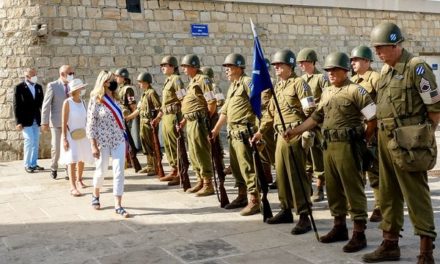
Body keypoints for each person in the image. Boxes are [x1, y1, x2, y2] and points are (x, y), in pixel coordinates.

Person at [284, 52, 377, 252]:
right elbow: (316, 117)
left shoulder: (356, 91)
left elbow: (372, 119)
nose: (331, 73)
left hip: (348, 146)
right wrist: (295, 131)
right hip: (329, 146)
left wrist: (363, 141)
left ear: (345, 70)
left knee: (353, 189)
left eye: (335, 69)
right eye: (328, 70)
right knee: (333, 189)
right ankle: (339, 227)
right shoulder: (326, 91)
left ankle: (359, 233)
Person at [362, 22, 438, 263]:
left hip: (408, 142)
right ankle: (390, 243)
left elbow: (434, 109)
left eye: (381, 48)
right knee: (387, 193)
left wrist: (422, 138)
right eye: (375, 48)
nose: (378, 53)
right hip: (385, 140)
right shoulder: (385, 71)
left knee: (415, 193)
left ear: (395, 45)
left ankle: (426, 250)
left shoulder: (416, 68)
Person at [252, 49, 316, 234]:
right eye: (275, 66)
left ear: (290, 66)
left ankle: (304, 215)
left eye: (280, 65)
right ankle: (286, 209)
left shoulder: (299, 84)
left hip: (294, 134)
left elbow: (310, 111)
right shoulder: (277, 88)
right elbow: (270, 115)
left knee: (296, 175)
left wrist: (305, 132)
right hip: (280, 136)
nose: (277, 68)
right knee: (281, 175)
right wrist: (260, 132)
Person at [211, 53, 260, 216]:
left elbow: (259, 108)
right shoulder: (233, 85)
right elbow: (225, 111)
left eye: (229, 67)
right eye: (225, 67)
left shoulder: (247, 82)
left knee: (247, 167)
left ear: (239, 67)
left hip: (244, 132)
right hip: (232, 134)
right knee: (237, 168)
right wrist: (216, 129)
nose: (226, 70)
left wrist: (259, 132)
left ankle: (254, 200)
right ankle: (241, 196)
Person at [86, 70, 129, 218]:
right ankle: (95, 194)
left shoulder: (116, 98)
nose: (114, 82)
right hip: (102, 141)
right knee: (101, 171)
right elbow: (91, 124)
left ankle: (118, 204)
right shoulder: (96, 99)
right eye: (111, 80)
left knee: (119, 171)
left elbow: (121, 120)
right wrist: (93, 144)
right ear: (104, 82)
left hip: (118, 139)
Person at [350, 45, 382, 223]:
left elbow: (384, 103)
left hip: (374, 130)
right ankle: (358, 206)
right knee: (358, 169)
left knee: (374, 170)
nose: (353, 63)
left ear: (367, 61)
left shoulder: (376, 78)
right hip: (357, 130)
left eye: (356, 59)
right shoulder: (353, 81)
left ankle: (380, 206)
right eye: (352, 60)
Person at [179, 54, 216, 196]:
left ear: (193, 66)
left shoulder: (203, 80)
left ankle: (208, 183)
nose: (183, 69)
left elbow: (211, 102)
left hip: (199, 121)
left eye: (185, 67)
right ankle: (200, 180)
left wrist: (207, 119)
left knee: (201, 151)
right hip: (191, 120)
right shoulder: (192, 81)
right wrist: (184, 120)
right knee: (193, 153)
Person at [297, 48, 329, 202]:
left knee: (317, 154)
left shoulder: (321, 78)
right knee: (306, 154)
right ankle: (307, 185)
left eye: (304, 62)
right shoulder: (301, 79)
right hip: (304, 121)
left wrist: (315, 108)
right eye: (300, 63)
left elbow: (326, 97)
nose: (302, 65)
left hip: (317, 121)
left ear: (312, 62)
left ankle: (320, 187)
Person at [154, 56, 186, 185]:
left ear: (173, 66)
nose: (162, 67)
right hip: (166, 116)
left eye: (165, 65)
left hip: (174, 116)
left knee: (175, 145)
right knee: (168, 145)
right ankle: (174, 169)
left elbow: (183, 99)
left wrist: (183, 119)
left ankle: (180, 172)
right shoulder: (168, 81)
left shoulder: (176, 80)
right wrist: (158, 117)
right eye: (162, 65)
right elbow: (164, 104)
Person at [60, 79, 93, 196]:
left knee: (82, 157)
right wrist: (64, 138)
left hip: (83, 134)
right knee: (72, 159)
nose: (82, 89)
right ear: (76, 90)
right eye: (81, 88)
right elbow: (63, 122)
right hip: (70, 134)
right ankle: (72, 186)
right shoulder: (67, 102)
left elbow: (87, 119)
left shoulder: (83, 102)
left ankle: (79, 180)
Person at [41, 65, 75, 179]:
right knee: (56, 147)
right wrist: (44, 122)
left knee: (69, 146)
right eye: (70, 73)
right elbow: (46, 105)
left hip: (70, 122)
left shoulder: (73, 85)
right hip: (56, 122)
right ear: (62, 74)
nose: (72, 75)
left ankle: (68, 171)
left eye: (72, 73)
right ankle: (54, 167)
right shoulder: (53, 86)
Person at [125, 73, 162, 177]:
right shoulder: (144, 94)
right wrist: (128, 117)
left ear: (145, 82)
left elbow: (159, 108)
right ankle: (150, 165)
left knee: (151, 145)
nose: (139, 84)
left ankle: (155, 166)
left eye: (140, 82)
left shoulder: (152, 93)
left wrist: (156, 120)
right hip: (143, 122)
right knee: (145, 144)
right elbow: (138, 109)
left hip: (150, 123)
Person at [13, 68, 44, 173]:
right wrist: (18, 122)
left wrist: (44, 119)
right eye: (33, 75)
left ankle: (33, 164)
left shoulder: (39, 87)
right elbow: (16, 106)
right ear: (27, 76)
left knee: (35, 141)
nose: (35, 76)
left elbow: (42, 105)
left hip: (36, 119)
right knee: (29, 140)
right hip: (25, 120)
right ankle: (27, 164)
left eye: (36, 74)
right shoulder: (19, 87)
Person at [115, 68, 141, 155]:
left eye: (118, 76)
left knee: (126, 137)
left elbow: (132, 105)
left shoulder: (128, 89)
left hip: (126, 116)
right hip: (120, 116)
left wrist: (132, 118)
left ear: (123, 77)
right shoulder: (120, 88)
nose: (116, 78)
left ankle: (130, 156)